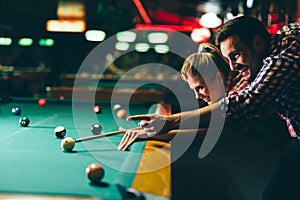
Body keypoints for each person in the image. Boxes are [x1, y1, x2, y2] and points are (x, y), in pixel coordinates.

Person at [124, 16, 300, 199]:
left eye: (235, 55)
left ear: (257, 42)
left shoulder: (277, 63)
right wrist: (156, 133)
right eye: (228, 59)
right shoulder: (281, 41)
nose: (233, 66)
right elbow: (214, 126)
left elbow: (245, 102)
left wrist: (171, 121)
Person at [118, 42, 231, 151]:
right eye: (194, 90)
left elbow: (214, 132)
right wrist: (151, 131)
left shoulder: (236, 95)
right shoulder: (225, 94)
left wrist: (154, 134)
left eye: (200, 87)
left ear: (219, 78)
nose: (197, 96)